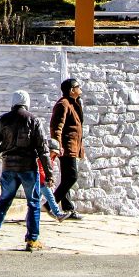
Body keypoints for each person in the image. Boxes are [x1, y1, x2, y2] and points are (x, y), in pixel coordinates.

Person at [0, 91, 50, 252]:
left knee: (4, 200)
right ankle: (32, 239)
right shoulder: (33, 120)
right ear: (27, 102)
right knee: (33, 203)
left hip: (8, 167)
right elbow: (43, 149)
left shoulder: (2, 120)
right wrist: (49, 172)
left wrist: (2, 154)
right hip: (28, 167)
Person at [50, 78, 86, 220]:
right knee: (72, 177)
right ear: (72, 90)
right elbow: (56, 127)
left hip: (73, 146)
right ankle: (50, 205)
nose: (80, 88)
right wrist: (58, 145)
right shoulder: (63, 104)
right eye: (78, 86)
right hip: (66, 147)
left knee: (66, 178)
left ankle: (68, 208)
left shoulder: (73, 103)